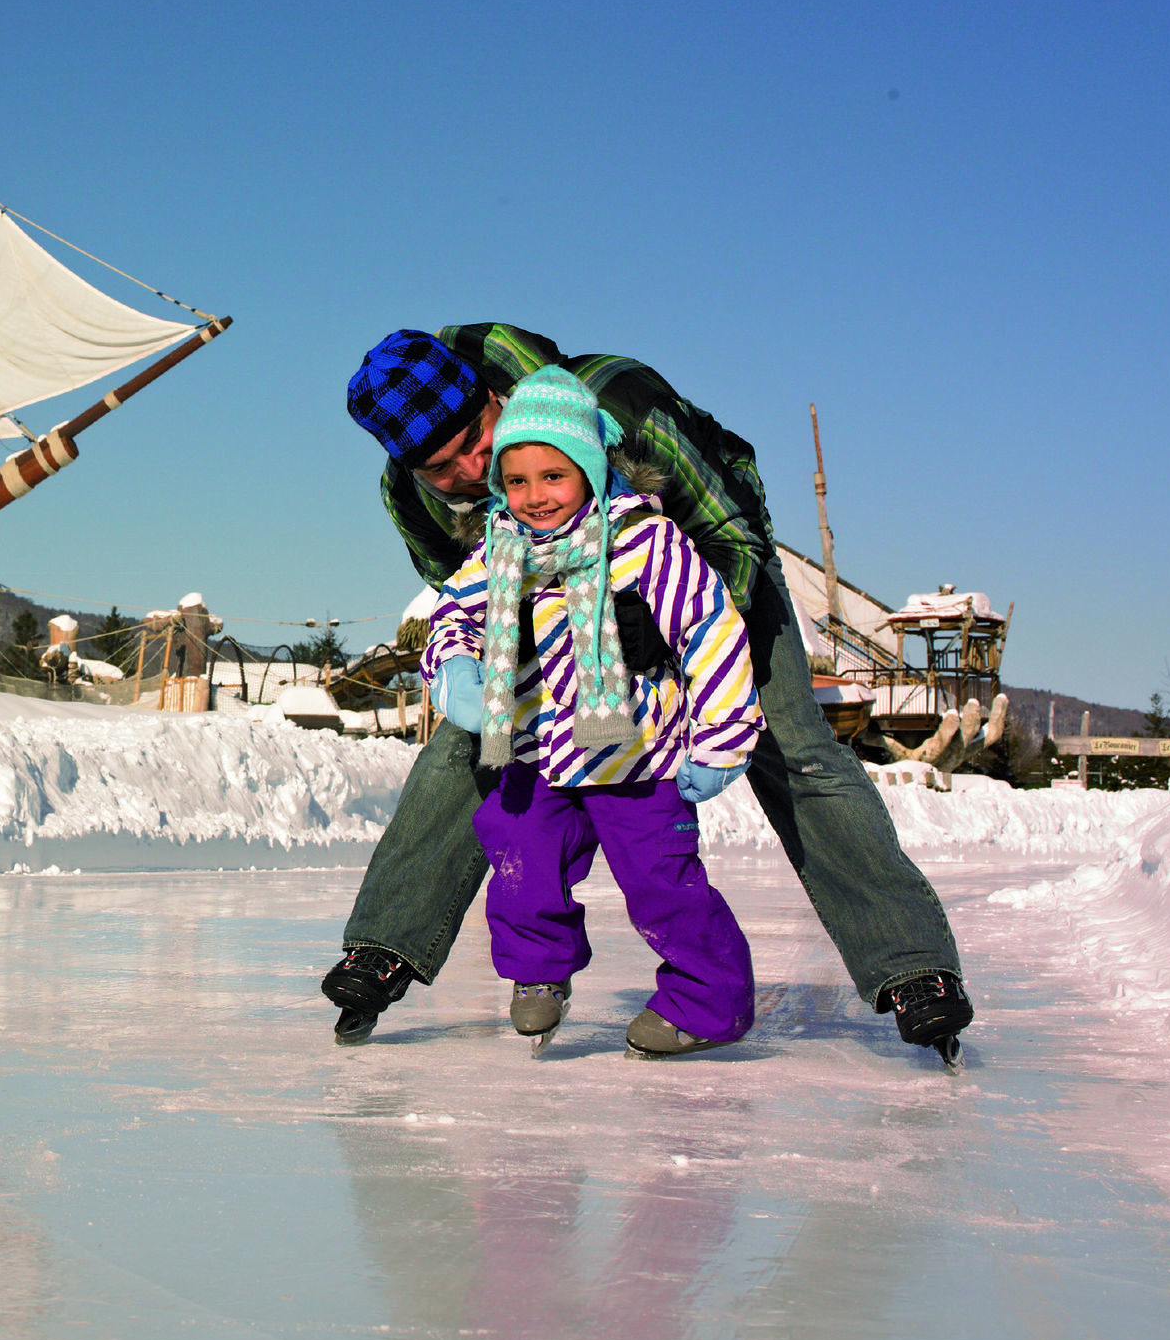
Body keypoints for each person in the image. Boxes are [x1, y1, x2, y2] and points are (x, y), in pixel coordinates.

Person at [324, 324, 975, 1061]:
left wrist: (661, 633)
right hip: (550, 592)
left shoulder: (620, 402)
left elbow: (731, 531)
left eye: (479, 439)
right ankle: (385, 944)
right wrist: (492, 654)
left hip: (704, 566)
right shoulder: (409, 494)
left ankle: (913, 965)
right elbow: (462, 588)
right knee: (477, 740)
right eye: (444, 469)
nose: (474, 470)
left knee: (791, 744)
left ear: (491, 394)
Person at [427, 367, 762, 1056]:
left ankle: (709, 1002)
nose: (534, 497)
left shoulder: (643, 542)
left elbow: (709, 627)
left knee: (662, 888)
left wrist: (722, 739)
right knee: (520, 864)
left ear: (587, 467)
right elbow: (451, 617)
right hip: (535, 753)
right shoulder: (497, 551)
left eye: (553, 476)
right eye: (516, 481)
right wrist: (457, 670)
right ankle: (538, 975)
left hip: (636, 754)